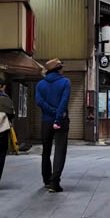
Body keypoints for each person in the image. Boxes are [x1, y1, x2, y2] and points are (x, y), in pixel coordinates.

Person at [35, 58, 70, 192]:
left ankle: (46, 180)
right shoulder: (65, 82)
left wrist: (50, 111)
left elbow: (39, 101)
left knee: (46, 151)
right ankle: (55, 182)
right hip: (60, 120)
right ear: (58, 69)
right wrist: (58, 114)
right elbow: (64, 101)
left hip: (46, 121)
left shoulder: (40, 84)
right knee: (60, 151)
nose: (63, 69)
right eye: (62, 67)